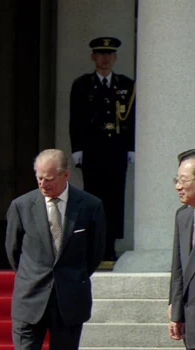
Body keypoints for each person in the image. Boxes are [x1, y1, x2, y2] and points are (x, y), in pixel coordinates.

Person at [5, 149, 105, 350]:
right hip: (29, 298)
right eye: (39, 178)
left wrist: (70, 280)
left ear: (65, 175)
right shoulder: (22, 205)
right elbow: (13, 251)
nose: (43, 184)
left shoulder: (89, 206)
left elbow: (95, 253)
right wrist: (34, 278)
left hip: (69, 299)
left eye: (49, 178)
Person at [69, 36, 135, 261]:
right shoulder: (82, 85)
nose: (105, 58)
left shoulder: (126, 85)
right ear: (93, 57)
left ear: (115, 57)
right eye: (101, 54)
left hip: (116, 151)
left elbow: (133, 119)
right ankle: (94, 246)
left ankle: (110, 247)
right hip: (93, 152)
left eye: (109, 54)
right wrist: (77, 148)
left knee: (116, 199)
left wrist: (131, 148)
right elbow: (75, 119)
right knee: (93, 198)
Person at [166, 150, 195, 350]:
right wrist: (175, 310)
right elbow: (177, 267)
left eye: (183, 180)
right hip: (190, 316)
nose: (177, 186)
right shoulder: (182, 216)